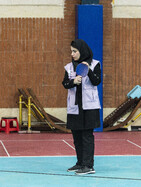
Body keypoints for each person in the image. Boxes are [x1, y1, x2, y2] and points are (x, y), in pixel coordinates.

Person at [62, 39, 101, 175]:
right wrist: (73, 81)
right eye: (71, 51)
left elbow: (96, 81)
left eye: (75, 51)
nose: (72, 54)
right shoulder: (69, 67)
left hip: (89, 108)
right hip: (74, 108)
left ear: (82, 51)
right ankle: (80, 163)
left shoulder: (95, 64)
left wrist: (88, 69)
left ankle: (88, 165)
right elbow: (65, 84)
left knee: (87, 136)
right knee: (77, 136)